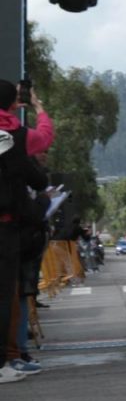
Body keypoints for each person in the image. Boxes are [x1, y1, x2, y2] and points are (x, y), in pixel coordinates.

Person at [0, 79, 52, 383]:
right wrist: (38, 107)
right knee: (5, 293)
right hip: (6, 224)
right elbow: (44, 138)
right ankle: (4, 361)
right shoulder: (16, 135)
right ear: (14, 103)